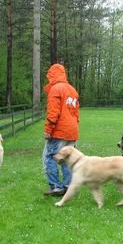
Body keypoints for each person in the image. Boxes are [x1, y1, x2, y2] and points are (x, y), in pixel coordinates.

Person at [42, 63, 80, 196]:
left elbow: (53, 113)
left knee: (50, 157)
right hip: (72, 131)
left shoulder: (55, 89)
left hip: (59, 130)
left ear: (52, 75)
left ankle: (56, 187)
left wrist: (48, 129)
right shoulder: (72, 90)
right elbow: (76, 113)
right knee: (67, 158)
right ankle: (68, 186)